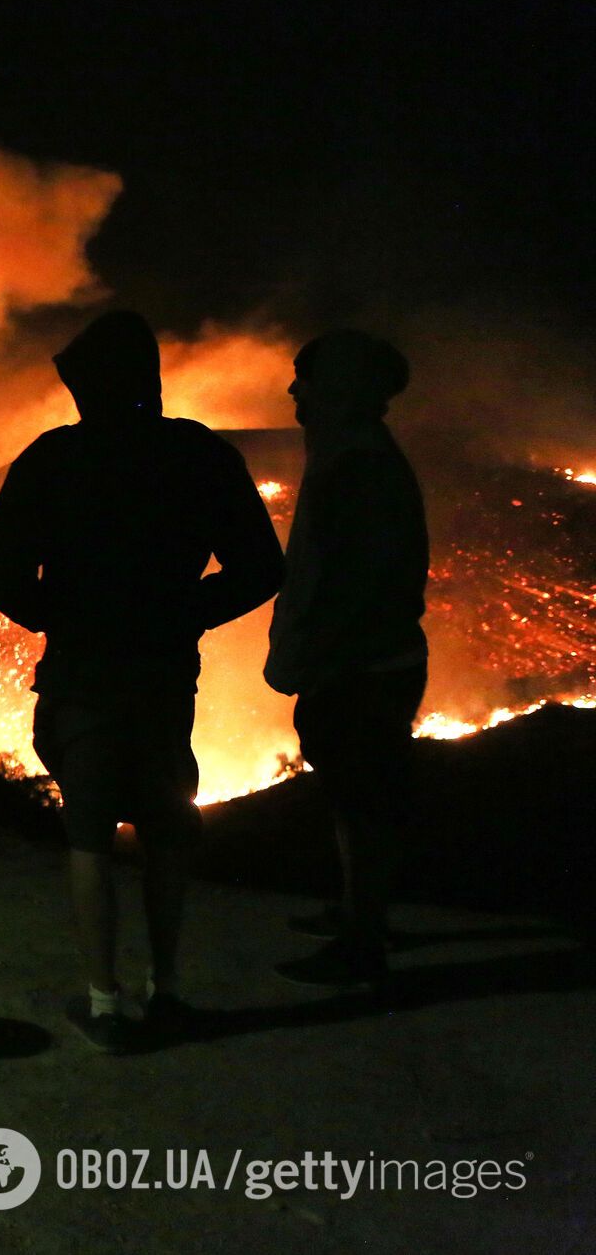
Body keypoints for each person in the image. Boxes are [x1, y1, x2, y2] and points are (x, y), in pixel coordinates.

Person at [0, 311, 284, 1052]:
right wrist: (189, 613)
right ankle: (167, 990)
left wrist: (55, 615)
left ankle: (105, 1004)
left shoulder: (54, 460)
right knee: (165, 828)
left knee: (89, 831)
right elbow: (262, 567)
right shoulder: (198, 457)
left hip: (82, 678)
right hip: (163, 677)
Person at [264, 330, 426, 990]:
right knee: (352, 795)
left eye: (305, 376)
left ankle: (362, 942)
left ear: (341, 386)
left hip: (361, 669)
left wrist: (319, 659)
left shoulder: (357, 467)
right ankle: (360, 914)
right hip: (365, 663)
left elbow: (354, 582)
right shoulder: (349, 455)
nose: (293, 388)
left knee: (360, 800)